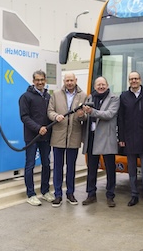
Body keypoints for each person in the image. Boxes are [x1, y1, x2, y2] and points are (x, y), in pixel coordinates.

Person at [47, 72, 87, 207]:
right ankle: (57, 194)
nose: (69, 82)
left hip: (74, 136)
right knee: (58, 167)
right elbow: (49, 111)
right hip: (58, 135)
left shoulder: (83, 95)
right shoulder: (56, 95)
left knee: (71, 167)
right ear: (64, 81)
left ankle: (70, 193)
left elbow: (86, 116)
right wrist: (55, 116)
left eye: (71, 80)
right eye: (67, 80)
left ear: (76, 80)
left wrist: (82, 116)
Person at [118, 71, 143, 210]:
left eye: (136, 78)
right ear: (129, 81)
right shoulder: (124, 96)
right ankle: (134, 195)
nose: (134, 81)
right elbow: (120, 118)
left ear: (140, 80)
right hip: (129, 138)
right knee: (132, 170)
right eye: (131, 79)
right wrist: (121, 138)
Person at [81, 76, 120, 207]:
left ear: (107, 85)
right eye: (98, 85)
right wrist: (83, 115)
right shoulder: (90, 97)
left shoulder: (114, 98)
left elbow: (109, 114)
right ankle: (91, 194)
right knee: (91, 168)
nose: (101, 87)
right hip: (92, 137)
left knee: (110, 168)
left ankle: (110, 196)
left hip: (107, 138)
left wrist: (91, 111)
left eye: (103, 84)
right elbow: (87, 116)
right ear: (95, 86)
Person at [19, 70, 55, 206]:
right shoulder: (26, 97)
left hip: (46, 136)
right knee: (30, 165)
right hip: (32, 137)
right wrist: (37, 128)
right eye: (37, 80)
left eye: (42, 80)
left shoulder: (48, 97)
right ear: (33, 81)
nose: (40, 82)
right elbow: (24, 117)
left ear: (45, 80)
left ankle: (45, 191)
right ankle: (31, 194)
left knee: (46, 164)